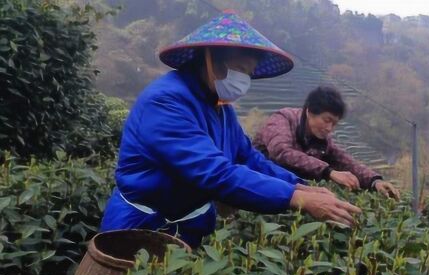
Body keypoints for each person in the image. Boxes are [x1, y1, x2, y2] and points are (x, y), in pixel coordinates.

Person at [100, 11, 360, 247]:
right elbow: (216, 173)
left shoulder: (222, 109)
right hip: (141, 225)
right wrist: (295, 199)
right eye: (240, 69)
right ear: (211, 59)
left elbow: (248, 157)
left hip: (189, 226)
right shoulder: (167, 102)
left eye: (249, 73)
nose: (243, 80)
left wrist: (300, 187)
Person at [253, 86, 400, 199]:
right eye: (326, 120)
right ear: (309, 112)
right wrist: (328, 172)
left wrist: (375, 181)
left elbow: (344, 160)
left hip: (293, 192)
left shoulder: (322, 139)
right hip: (258, 186)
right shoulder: (282, 119)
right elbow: (281, 152)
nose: (329, 128)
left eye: (334, 124)